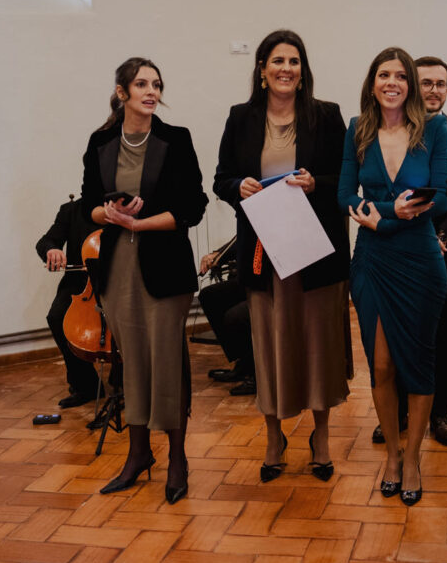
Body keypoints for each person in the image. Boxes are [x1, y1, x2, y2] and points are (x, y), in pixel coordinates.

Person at [213, 29, 351, 484]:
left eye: (294, 61)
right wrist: (239, 186)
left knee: (319, 348)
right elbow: (221, 179)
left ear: (302, 70)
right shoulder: (241, 117)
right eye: (277, 61)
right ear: (262, 69)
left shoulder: (326, 116)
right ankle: (274, 439)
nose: (286, 69)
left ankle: (321, 438)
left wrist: (316, 184)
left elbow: (344, 179)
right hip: (264, 253)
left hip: (315, 254)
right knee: (271, 350)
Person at [80, 57, 208, 504]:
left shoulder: (176, 139)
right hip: (118, 268)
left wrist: (141, 223)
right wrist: (109, 214)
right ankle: (138, 454)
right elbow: (87, 206)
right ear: (122, 93)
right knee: (130, 361)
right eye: (141, 84)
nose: (151, 92)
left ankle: (177, 459)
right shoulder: (100, 142)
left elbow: (194, 205)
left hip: (166, 267)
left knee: (167, 361)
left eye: (156, 85)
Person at [338, 47, 447, 506]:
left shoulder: (434, 129)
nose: (393, 82)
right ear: (372, 83)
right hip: (372, 260)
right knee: (381, 365)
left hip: (420, 260)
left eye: (401, 76)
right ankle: (392, 455)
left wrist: (384, 217)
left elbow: (442, 197)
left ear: (411, 85)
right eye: (384, 74)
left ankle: (415, 458)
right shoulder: (358, 128)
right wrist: (390, 213)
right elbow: (344, 194)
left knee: (418, 363)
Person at [35, 194, 105, 410]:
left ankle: (123, 378)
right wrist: (52, 249)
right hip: (79, 283)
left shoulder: (122, 209)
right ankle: (85, 384)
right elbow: (46, 241)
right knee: (57, 317)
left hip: (117, 281)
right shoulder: (71, 210)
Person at [197, 237, 256, 396]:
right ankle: (244, 363)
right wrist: (218, 254)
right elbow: (241, 237)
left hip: (269, 283)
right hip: (252, 279)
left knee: (235, 317)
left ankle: (258, 374)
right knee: (209, 297)